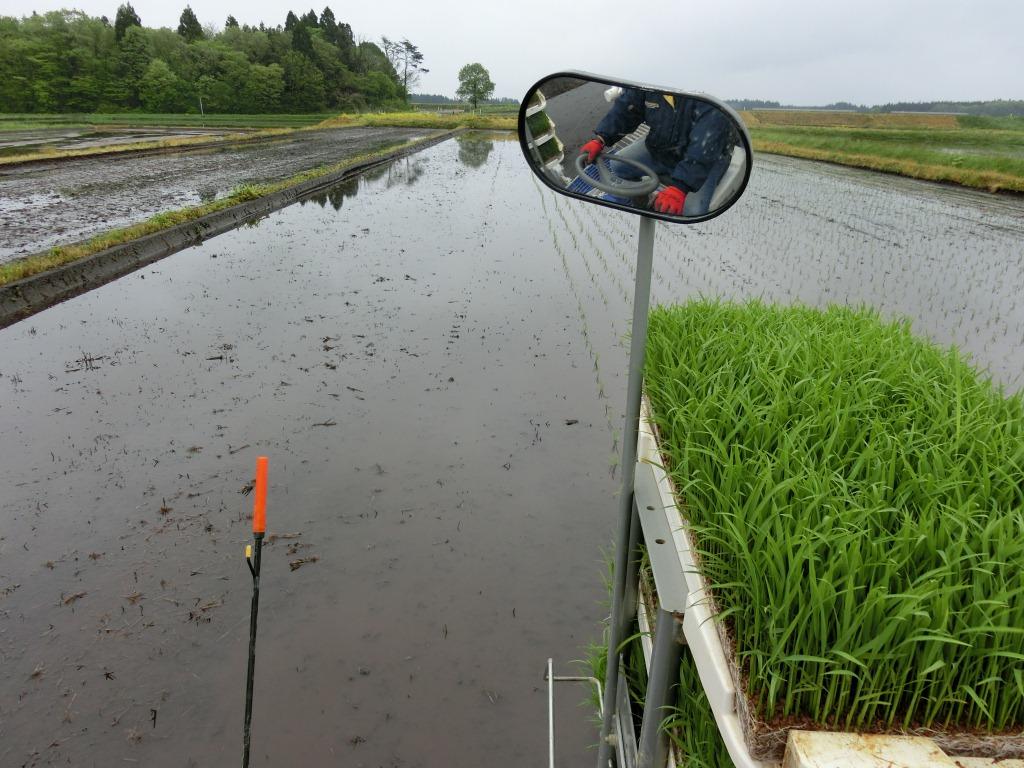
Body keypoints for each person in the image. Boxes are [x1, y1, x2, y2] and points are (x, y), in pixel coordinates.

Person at [580, 89, 734, 216]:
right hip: (661, 147)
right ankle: (636, 203)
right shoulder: (650, 84)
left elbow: (705, 144)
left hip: (704, 160)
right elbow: (627, 108)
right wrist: (601, 138)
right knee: (618, 165)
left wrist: (680, 188)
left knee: (692, 212)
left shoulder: (708, 95)